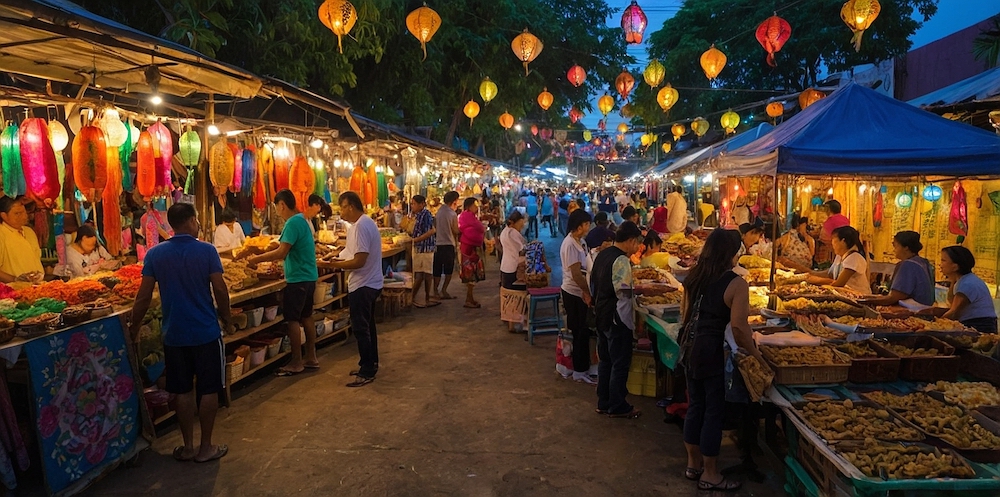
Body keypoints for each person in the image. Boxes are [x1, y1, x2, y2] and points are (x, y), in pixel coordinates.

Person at [130, 203, 231, 463]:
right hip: (206, 332)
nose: (198, 225)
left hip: (174, 334)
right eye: (196, 220)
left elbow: (143, 297)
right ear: (190, 221)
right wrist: (227, 319)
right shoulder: (206, 251)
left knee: (182, 391)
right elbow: (220, 289)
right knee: (209, 389)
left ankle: (187, 447)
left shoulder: (155, 255)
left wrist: (133, 327)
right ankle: (205, 447)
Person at [680, 229, 763, 492]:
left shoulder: (694, 276)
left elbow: (684, 315)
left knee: (695, 407)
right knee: (713, 412)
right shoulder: (736, 284)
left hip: (690, 348)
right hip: (712, 351)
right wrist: (757, 355)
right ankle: (711, 474)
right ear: (733, 252)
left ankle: (693, 466)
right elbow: (739, 328)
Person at [248, 189, 319, 376]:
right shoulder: (302, 220)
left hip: (298, 278)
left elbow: (281, 252)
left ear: (282, 205)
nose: (277, 211)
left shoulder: (292, 222)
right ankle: (310, 356)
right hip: (309, 275)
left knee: (293, 320)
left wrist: (256, 260)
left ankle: (297, 362)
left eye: (276, 207)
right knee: (307, 316)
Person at [320, 192, 383, 387]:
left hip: (364, 285)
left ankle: (367, 371)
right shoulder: (359, 225)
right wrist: (334, 257)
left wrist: (332, 266)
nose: (341, 211)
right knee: (368, 327)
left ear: (352, 207)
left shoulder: (362, 226)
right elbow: (351, 254)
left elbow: (359, 261)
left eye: (343, 207)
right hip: (369, 283)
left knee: (361, 328)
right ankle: (370, 363)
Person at [591, 221, 645, 419]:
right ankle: (617, 404)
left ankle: (603, 402)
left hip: (601, 314)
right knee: (620, 362)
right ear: (630, 241)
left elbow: (593, 283)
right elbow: (622, 292)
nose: (638, 247)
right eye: (637, 242)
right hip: (616, 317)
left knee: (605, 360)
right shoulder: (621, 260)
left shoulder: (602, 255)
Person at [560, 210, 594, 384]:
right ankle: (579, 371)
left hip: (578, 291)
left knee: (583, 331)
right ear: (579, 226)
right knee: (580, 332)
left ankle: (582, 368)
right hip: (573, 293)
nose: (589, 227)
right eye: (587, 224)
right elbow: (576, 274)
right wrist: (586, 292)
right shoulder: (570, 245)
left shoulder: (580, 242)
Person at [865, 231, 934, 306]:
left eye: (896, 246)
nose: (894, 250)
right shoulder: (924, 262)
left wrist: (866, 300)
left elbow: (893, 298)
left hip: (913, 312)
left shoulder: (909, 265)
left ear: (906, 248)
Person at [940, 246, 997, 333]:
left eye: (943, 260)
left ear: (955, 267)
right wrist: (952, 279)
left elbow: (954, 312)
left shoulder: (967, 284)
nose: (941, 265)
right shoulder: (962, 281)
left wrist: (935, 324)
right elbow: (951, 301)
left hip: (980, 326)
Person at [808, 226, 870, 295]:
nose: (832, 243)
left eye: (833, 239)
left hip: (859, 297)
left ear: (843, 241)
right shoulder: (839, 257)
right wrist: (809, 274)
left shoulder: (854, 258)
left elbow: (839, 284)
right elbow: (829, 274)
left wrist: (817, 284)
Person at [0, 196, 44, 283]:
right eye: (17, 213)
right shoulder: (1, 233)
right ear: (4, 216)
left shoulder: (29, 232)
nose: (24, 216)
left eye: (24, 212)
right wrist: (15, 280)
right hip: (13, 292)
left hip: (37, 288)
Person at [409, 195, 439, 308]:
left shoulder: (426, 215)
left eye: (414, 204)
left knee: (425, 274)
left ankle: (423, 298)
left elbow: (431, 231)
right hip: (419, 248)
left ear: (421, 204)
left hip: (425, 248)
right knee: (420, 274)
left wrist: (415, 240)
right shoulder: (417, 215)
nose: (412, 206)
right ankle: (418, 298)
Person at [458, 197, 486, 308]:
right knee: (470, 275)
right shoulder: (466, 216)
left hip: (471, 248)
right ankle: (468, 300)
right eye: (475, 205)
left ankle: (470, 298)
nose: (477, 207)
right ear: (469, 206)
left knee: (473, 275)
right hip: (468, 249)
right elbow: (475, 229)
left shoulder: (470, 217)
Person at [433, 191, 461, 300]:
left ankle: (435, 291)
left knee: (437, 270)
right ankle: (444, 290)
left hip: (438, 244)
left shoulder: (439, 212)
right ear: (454, 201)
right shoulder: (452, 214)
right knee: (448, 270)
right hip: (448, 244)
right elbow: (455, 230)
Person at [499, 211, 527, 291]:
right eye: (520, 224)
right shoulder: (512, 232)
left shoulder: (505, 231)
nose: (521, 227)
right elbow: (522, 249)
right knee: (516, 295)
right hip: (513, 267)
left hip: (505, 266)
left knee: (508, 293)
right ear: (515, 222)